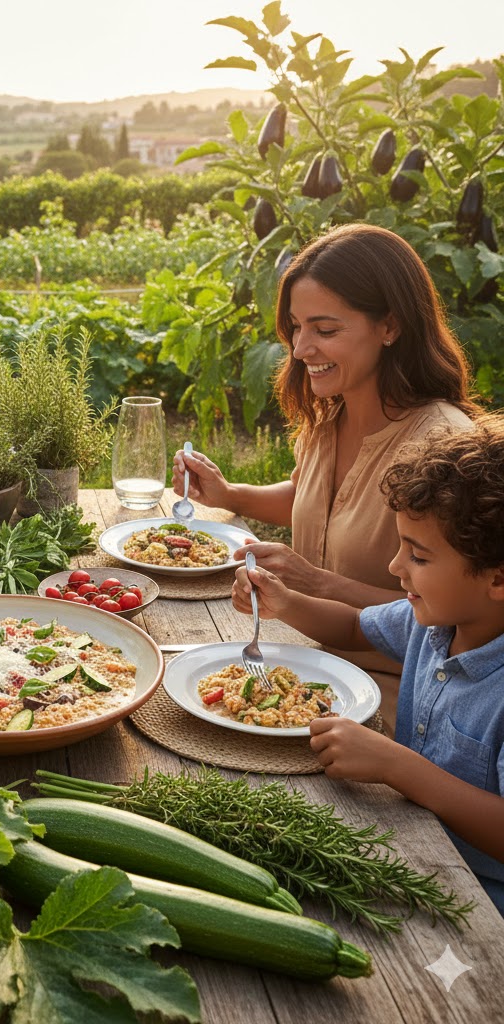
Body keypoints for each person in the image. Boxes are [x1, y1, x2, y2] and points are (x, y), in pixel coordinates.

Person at [173, 224, 480, 728]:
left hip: (397, 698)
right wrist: (231, 494)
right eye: (295, 327)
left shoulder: (443, 445)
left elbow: (455, 619)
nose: (299, 349)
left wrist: (316, 583)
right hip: (308, 667)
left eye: (325, 329)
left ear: (391, 327)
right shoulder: (328, 416)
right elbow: (317, 499)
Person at [232, 418, 504, 914]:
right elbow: (357, 627)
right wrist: (285, 603)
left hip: (476, 903)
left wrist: (396, 766)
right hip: (405, 845)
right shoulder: (436, 621)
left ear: (497, 578)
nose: (396, 568)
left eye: (417, 556)